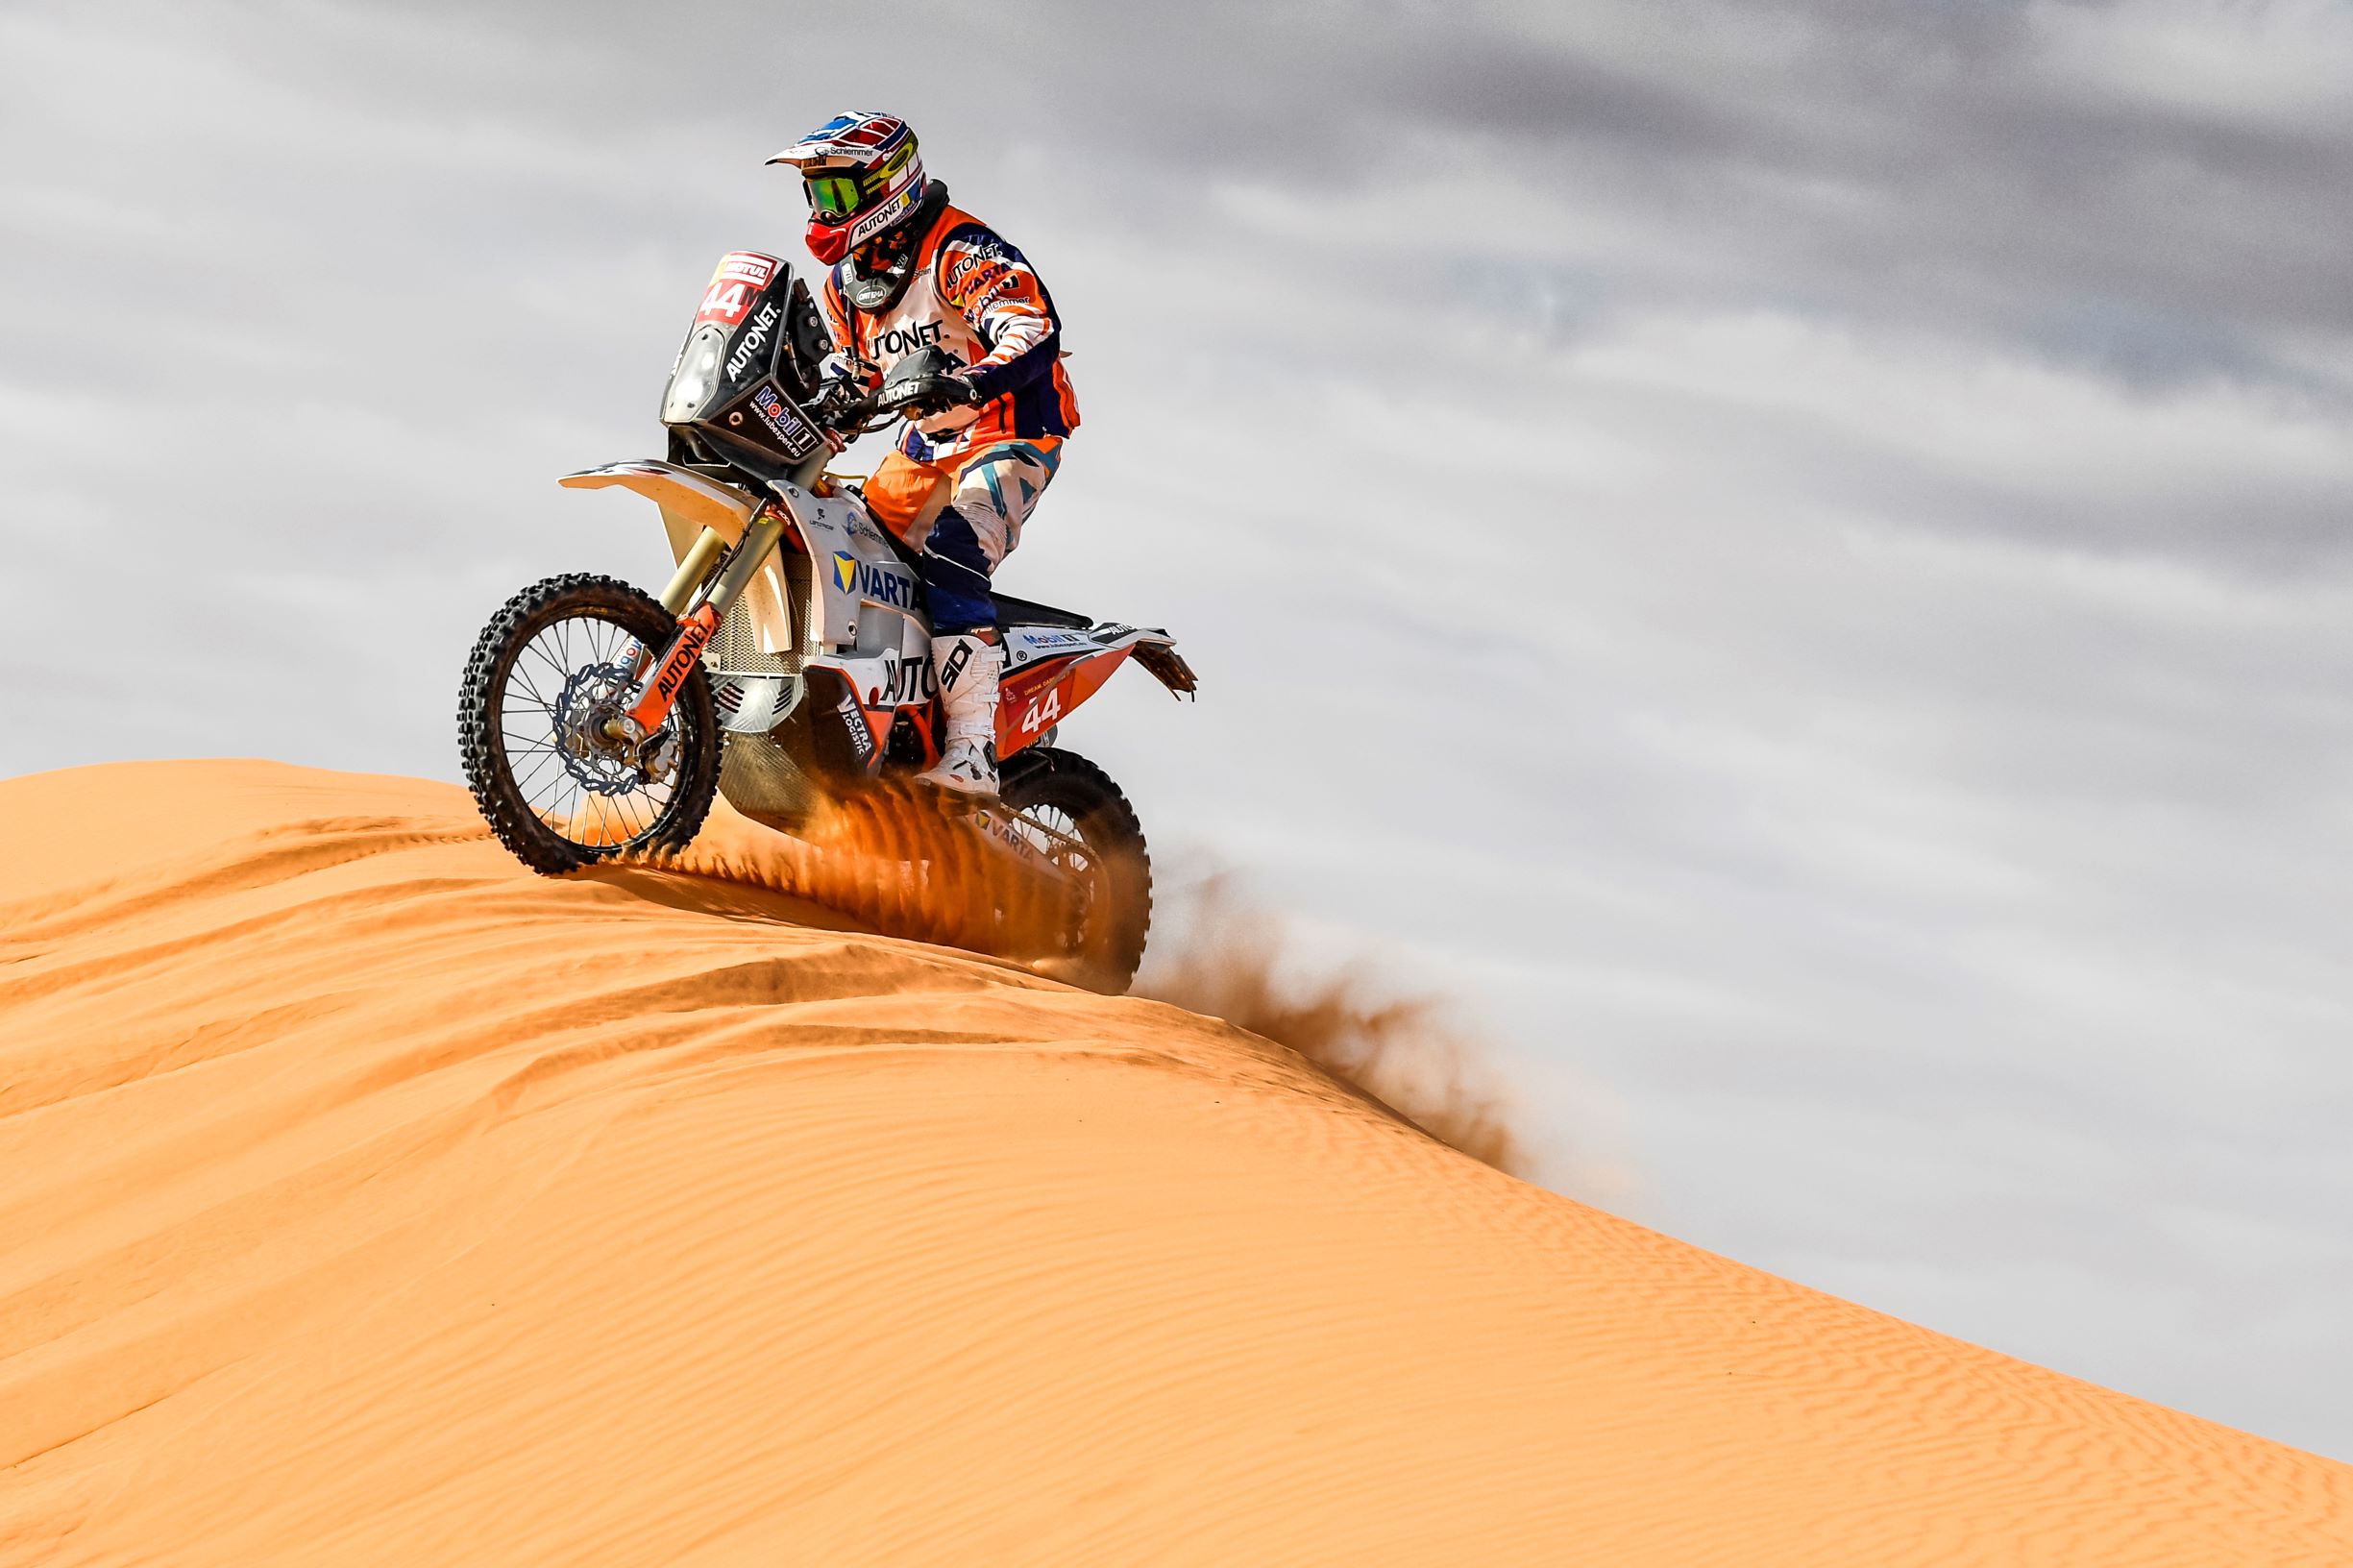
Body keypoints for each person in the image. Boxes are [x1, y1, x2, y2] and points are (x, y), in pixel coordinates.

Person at [768, 110, 1079, 796]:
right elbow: (856, 382)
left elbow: (1033, 333)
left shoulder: (960, 251)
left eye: (838, 194)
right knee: (842, 539)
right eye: (816, 195)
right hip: (928, 440)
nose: (824, 210)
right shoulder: (847, 287)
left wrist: (968, 378)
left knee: (951, 552)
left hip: (1012, 428)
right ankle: (886, 705)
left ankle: (971, 753)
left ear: (889, 183)